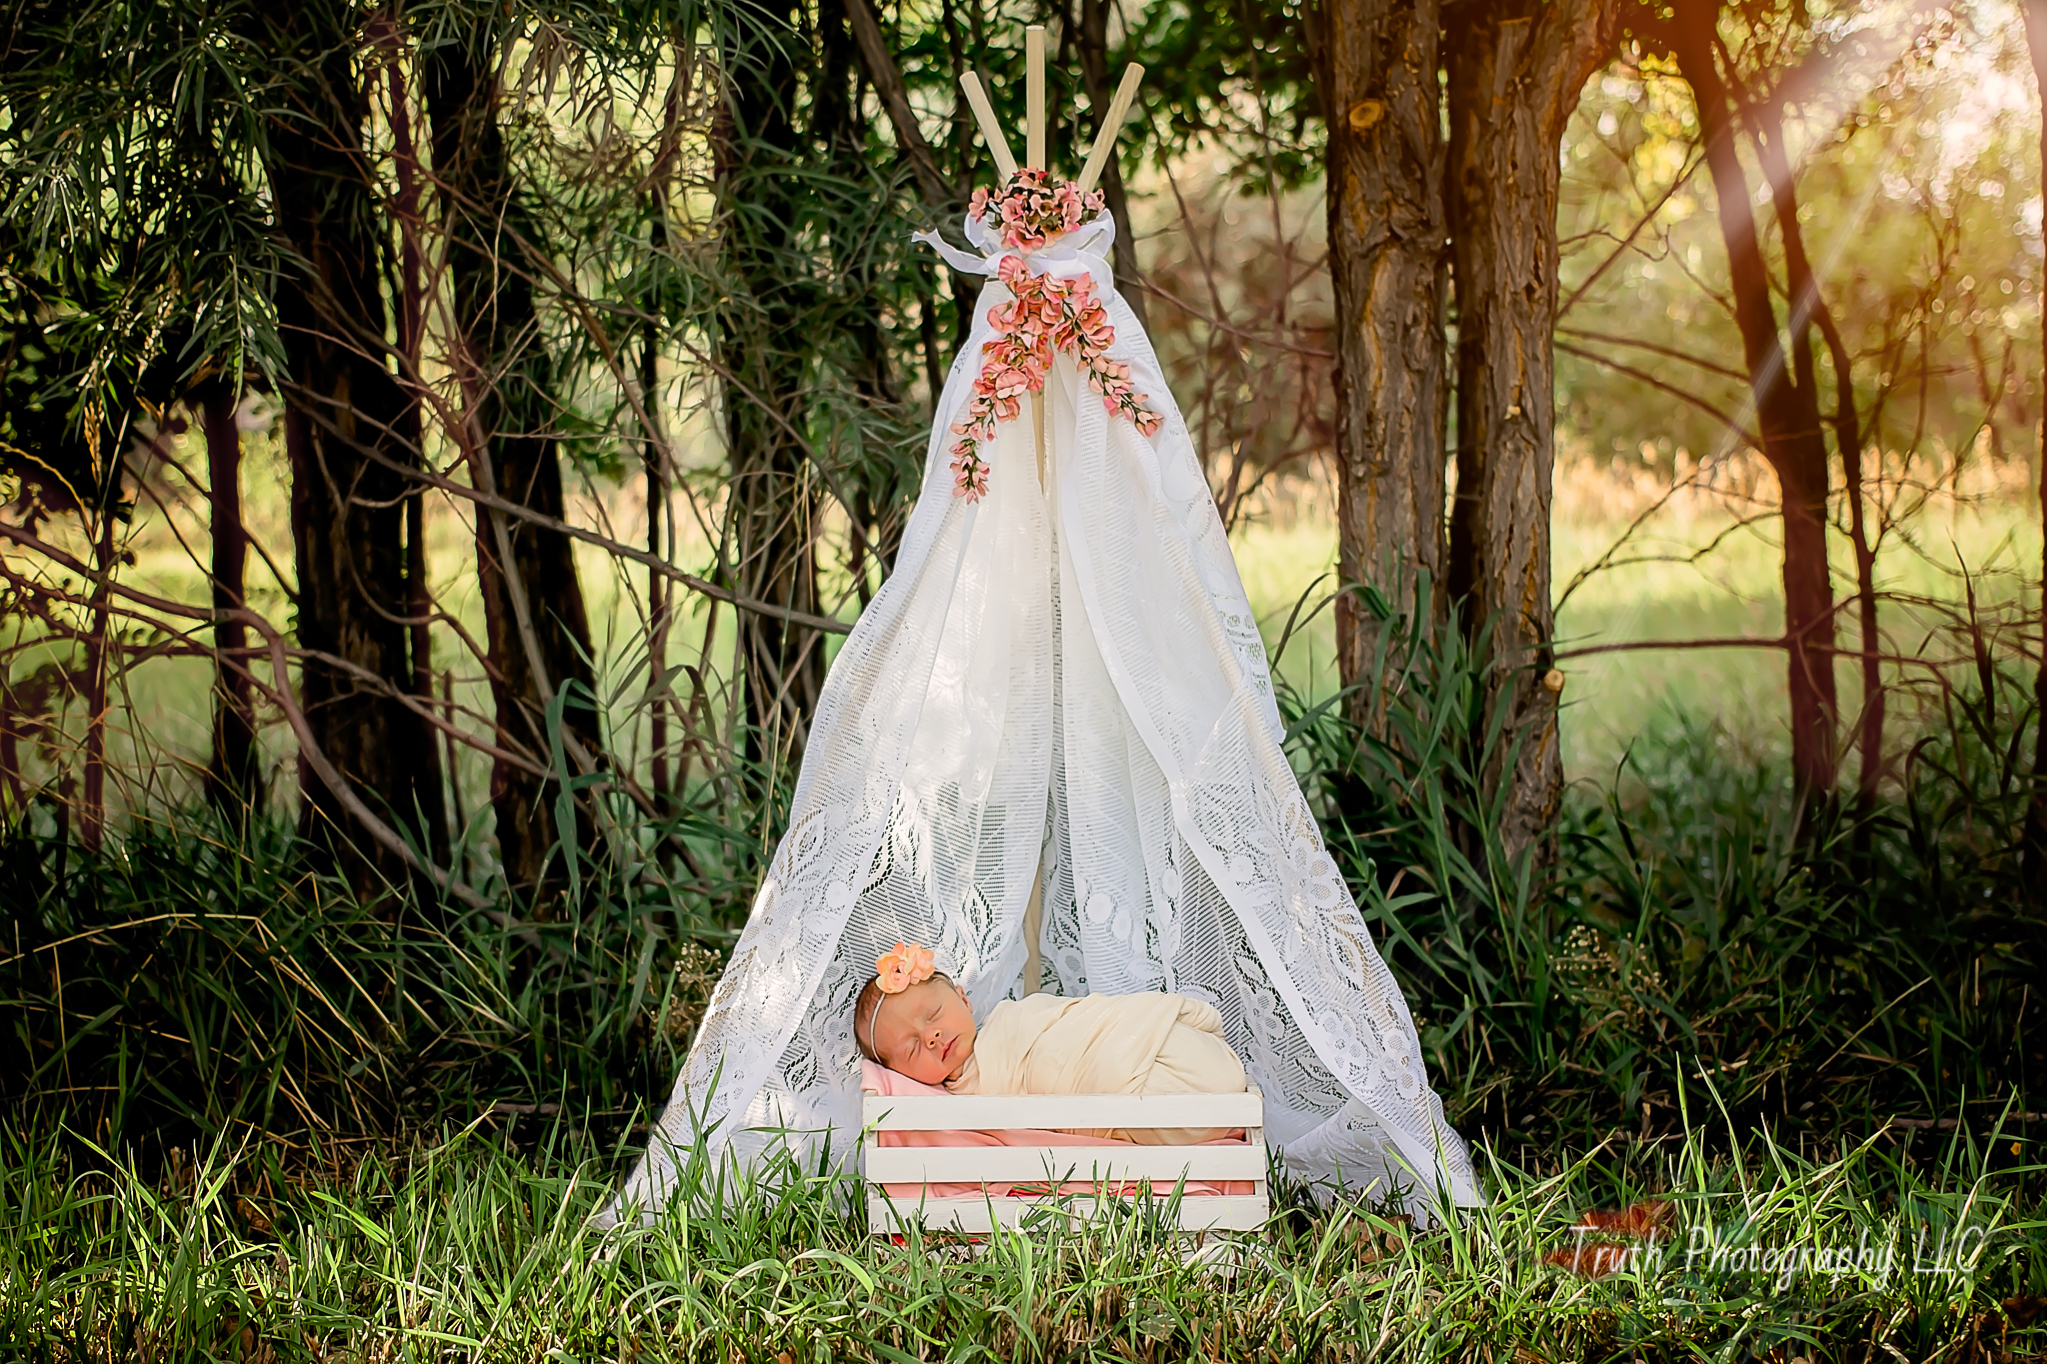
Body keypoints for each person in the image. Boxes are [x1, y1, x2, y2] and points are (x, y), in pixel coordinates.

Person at [852, 942, 1247, 1143]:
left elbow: (1079, 1024)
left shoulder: (1015, 1021)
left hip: (1124, 1037)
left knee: (1148, 1057)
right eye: (912, 1048)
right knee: (1170, 1086)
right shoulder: (961, 1104)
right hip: (1136, 1093)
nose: (932, 1036)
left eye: (934, 1015)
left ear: (963, 998)